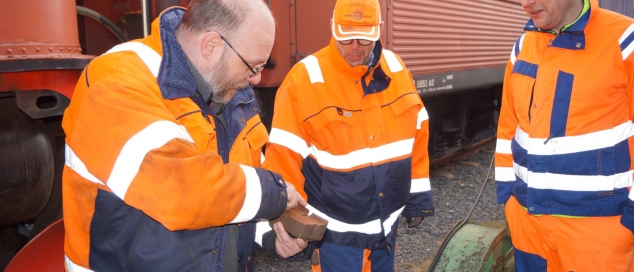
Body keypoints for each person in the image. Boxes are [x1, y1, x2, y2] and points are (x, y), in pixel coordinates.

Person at [61, 0, 309, 271]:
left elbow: (236, 198)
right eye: (254, 66)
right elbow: (178, 191)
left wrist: (273, 239)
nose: (257, 80)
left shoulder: (231, 94)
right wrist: (273, 192)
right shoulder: (117, 80)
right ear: (211, 45)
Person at [495, 0, 634, 270]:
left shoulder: (630, 42)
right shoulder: (523, 46)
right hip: (527, 225)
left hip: (598, 233)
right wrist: (508, 197)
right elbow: (509, 128)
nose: (526, 3)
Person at [262, 0, 435, 270]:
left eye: (364, 39)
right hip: (335, 235)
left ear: (378, 30)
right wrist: (287, 225)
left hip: (386, 226)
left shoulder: (396, 68)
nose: (354, 47)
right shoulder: (303, 79)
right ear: (333, 28)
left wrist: (418, 195)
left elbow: (417, 135)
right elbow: (283, 159)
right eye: (346, 37)